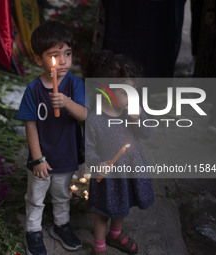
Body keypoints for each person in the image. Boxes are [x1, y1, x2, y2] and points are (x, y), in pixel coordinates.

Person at [16, 21, 87, 255]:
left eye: (67, 53)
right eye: (54, 55)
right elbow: (30, 124)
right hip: (42, 156)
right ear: (39, 60)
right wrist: (37, 158)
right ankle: (33, 230)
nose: (63, 61)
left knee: (62, 194)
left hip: (66, 154)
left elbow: (85, 115)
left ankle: (61, 224)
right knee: (36, 197)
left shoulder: (75, 84)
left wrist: (67, 103)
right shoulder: (34, 89)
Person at [86, 51, 154, 255]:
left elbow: (147, 133)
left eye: (134, 92)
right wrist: (97, 164)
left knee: (123, 204)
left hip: (130, 169)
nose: (132, 97)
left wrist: (139, 117)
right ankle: (99, 247)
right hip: (108, 177)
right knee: (103, 214)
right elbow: (87, 149)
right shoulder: (94, 119)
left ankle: (115, 235)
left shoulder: (132, 112)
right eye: (126, 93)